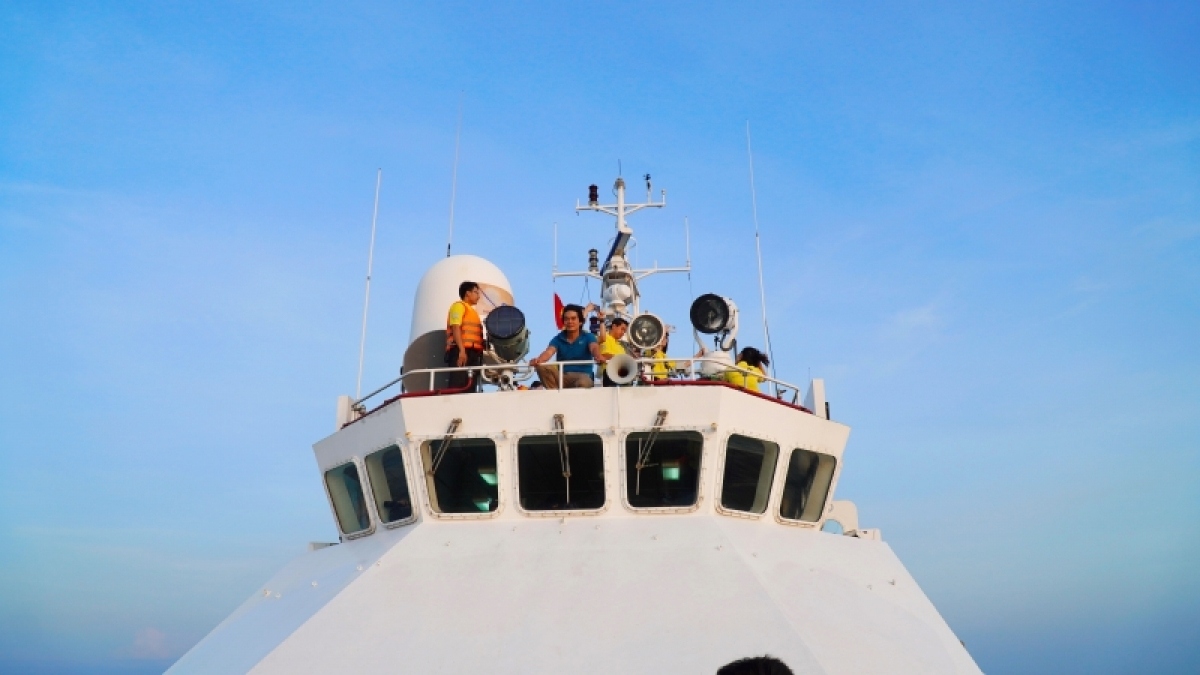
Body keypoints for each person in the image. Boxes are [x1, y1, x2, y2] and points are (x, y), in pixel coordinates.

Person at [528, 303, 608, 389]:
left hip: (582, 376)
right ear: (564, 322)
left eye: (573, 319)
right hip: (562, 377)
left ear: (580, 322)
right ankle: (555, 397)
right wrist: (538, 360)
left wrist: (598, 356)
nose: (570, 322)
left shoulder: (588, 336)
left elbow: (594, 348)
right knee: (541, 366)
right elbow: (549, 352)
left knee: (583, 382)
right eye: (566, 319)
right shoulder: (558, 338)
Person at [445, 281, 485, 392]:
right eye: (476, 292)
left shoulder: (472, 312)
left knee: (470, 387)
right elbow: (456, 327)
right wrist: (461, 351)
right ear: (467, 293)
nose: (478, 296)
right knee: (458, 385)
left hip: (473, 353)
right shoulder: (458, 306)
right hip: (460, 351)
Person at [596, 312, 629, 387]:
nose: (623, 333)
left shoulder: (620, 346)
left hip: (621, 373)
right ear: (614, 326)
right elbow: (604, 355)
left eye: (624, 331)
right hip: (609, 372)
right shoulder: (605, 338)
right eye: (622, 329)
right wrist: (622, 360)